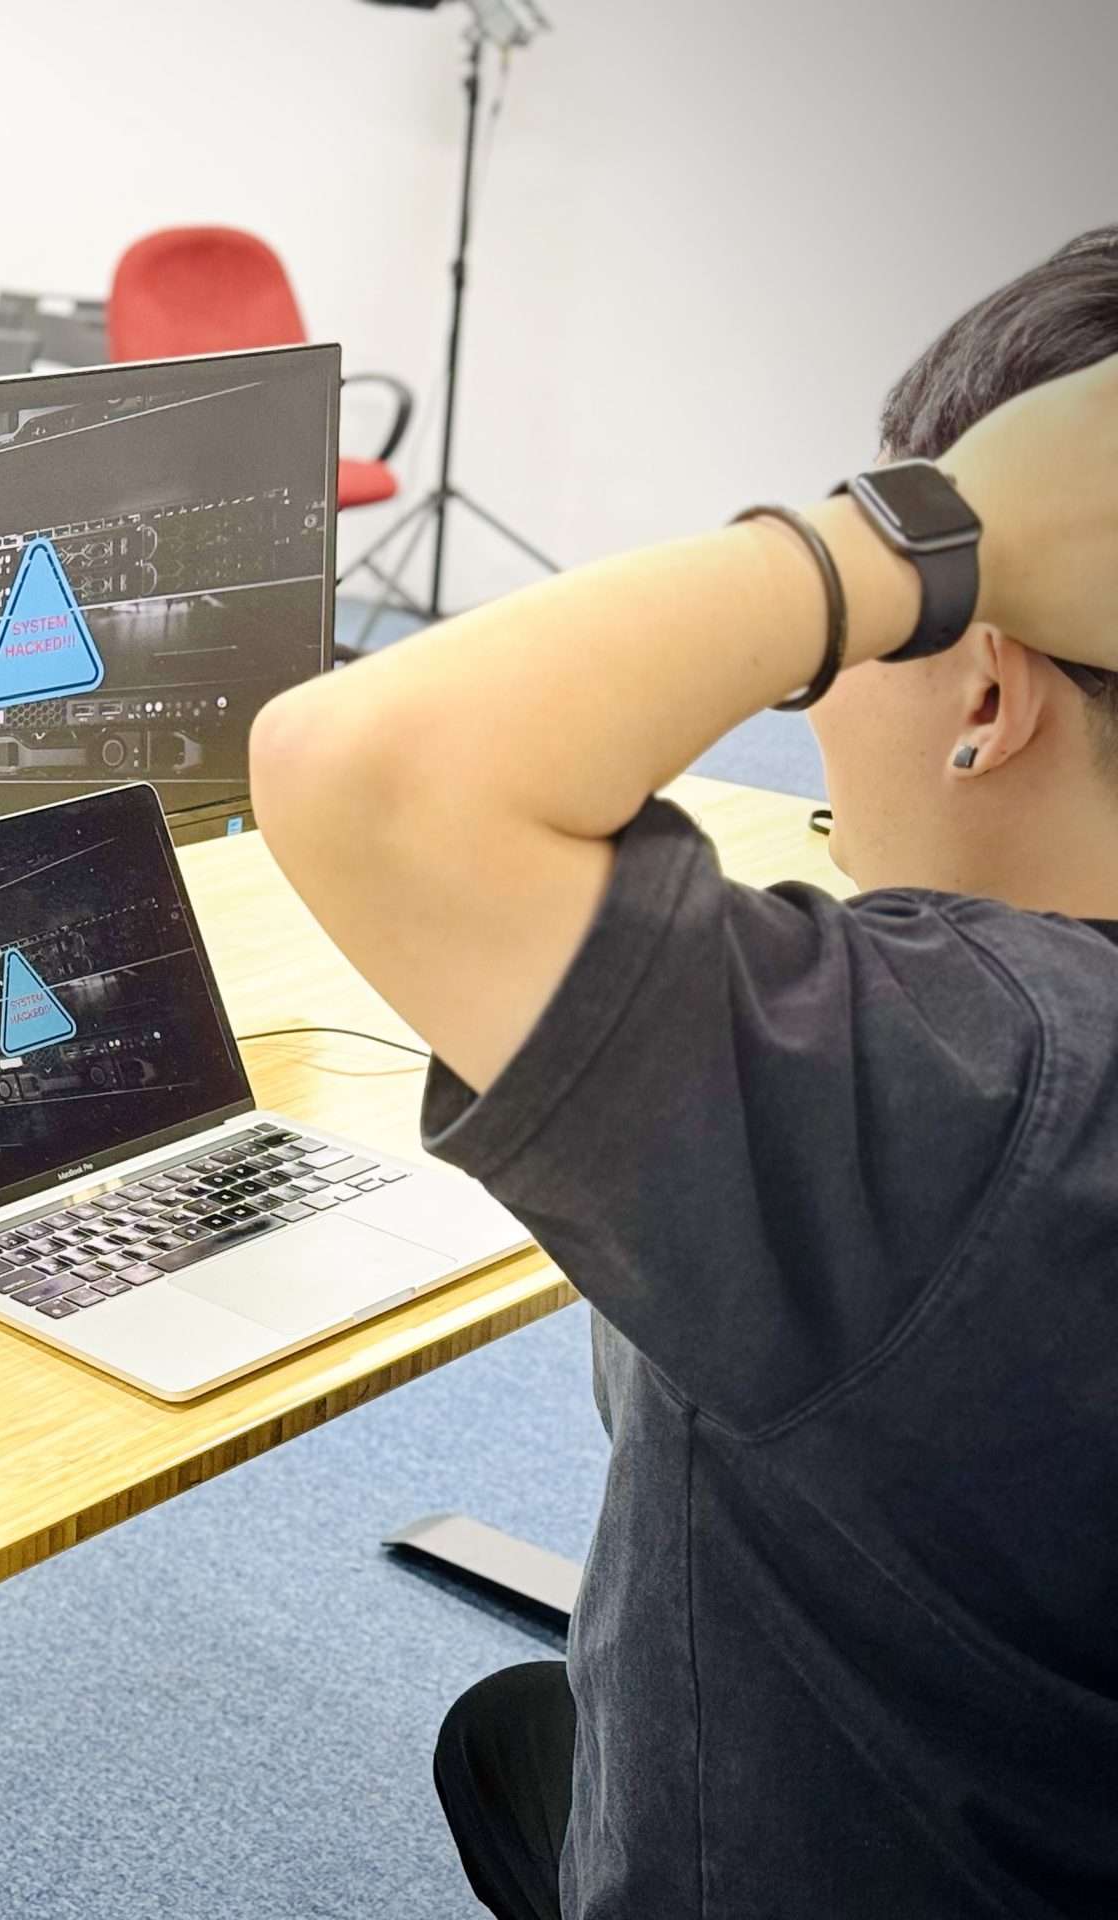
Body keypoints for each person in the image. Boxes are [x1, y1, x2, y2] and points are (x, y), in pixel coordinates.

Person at [246, 228, 1118, 1919]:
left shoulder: (964, 1095)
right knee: (519, 1734)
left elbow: (368, 767)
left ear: (986, 687)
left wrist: (905, 538)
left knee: (519, 1748)